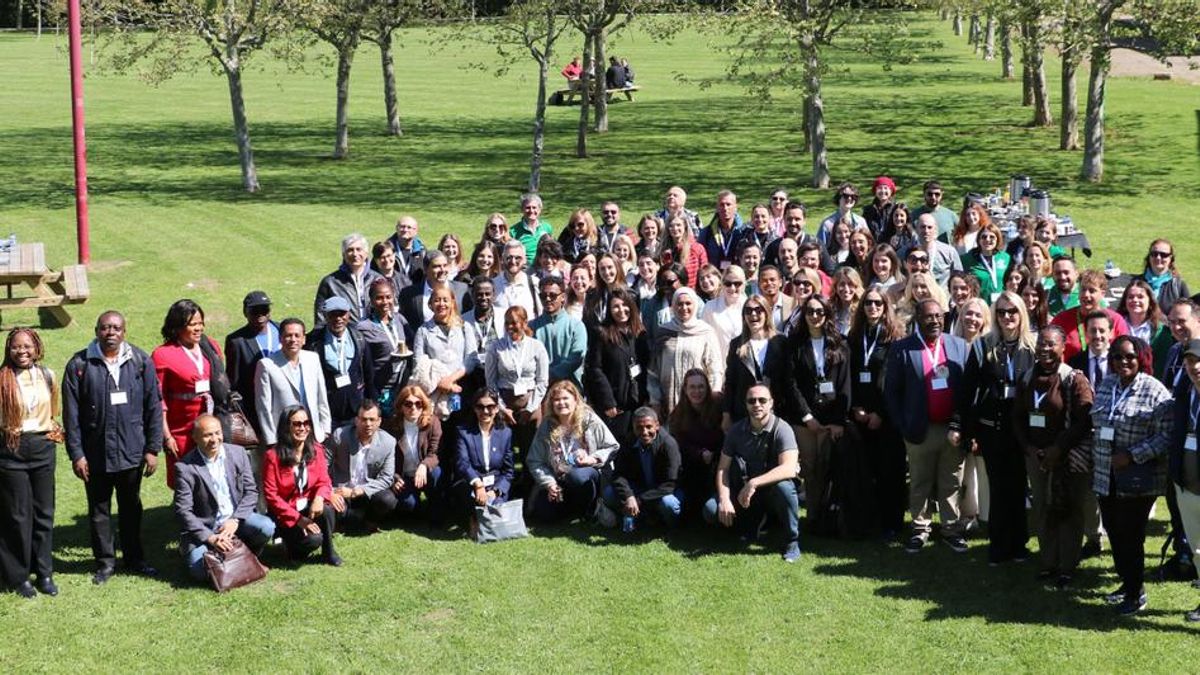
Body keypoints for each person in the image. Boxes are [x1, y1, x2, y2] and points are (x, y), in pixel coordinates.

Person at [63, 311, 163, 586]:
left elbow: (153, 406)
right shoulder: (79, 364)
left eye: (116, 328)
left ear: (124, 332)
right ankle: (105, 564)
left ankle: (134, 559)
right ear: (96, 331)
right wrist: (77, 454)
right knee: (99, 511)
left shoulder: (140, 361)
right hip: (94, 455)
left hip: (131, 452)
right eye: (105, 328)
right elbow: (71, 416)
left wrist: (153, 448)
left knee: (131, 508)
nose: (111, 333)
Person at [1088, 335, 1173, 616]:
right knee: (1114, 531)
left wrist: (1133, 454)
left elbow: (1166, 435)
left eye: (1129, 357)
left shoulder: (1155, 391)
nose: (1123, 362)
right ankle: (1127, 584)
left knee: (1131, 535)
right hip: (1105, 473)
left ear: (1141, 358)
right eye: (1117, 356)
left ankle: (1137, 593)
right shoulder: (1108, 384)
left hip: (1137, 479)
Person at [884, 298, 971, 553]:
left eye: (937, 316)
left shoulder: (958, 345)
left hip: (951, 429)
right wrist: (903, 425)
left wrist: (961, 424)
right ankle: (920, 528)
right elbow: (892, 392)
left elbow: (966, 390)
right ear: (918, 319)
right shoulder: (902, 348)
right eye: (928, 316)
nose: (934, 320)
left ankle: (951, 529)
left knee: (951, 481)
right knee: (920, 481)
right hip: (918, 429)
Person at [958, 294, 1037, 566]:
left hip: (1024, 431)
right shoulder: (982, 347)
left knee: (1018, 488)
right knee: (999, 488)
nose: (1007, 317)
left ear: (1022, 312)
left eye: (1013, 311)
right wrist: (968, 432)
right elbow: (968, 390)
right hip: (992, 429)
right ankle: (999, 545)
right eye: (1001, 312)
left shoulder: (1034, 346)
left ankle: (1019, 544)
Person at [1012, 326, 1094, 585]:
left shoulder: (1074, 378)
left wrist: (1058, 448)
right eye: (1041, 344)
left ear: (1063, 347)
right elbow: (1017, 416)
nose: (1045, 350)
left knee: (1068, 510)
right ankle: (1048, 562)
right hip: (1035, 456)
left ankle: (1067, 565)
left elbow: (1084, 420)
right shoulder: (1027, 377)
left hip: (1067, 457)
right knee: (1043, 509)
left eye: (1051, 344)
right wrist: (1028, 447)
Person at [702, 384, 802, 562]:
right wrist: (724, 499)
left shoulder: (782, 429)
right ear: (746, 404)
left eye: (762, 400)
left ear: (771, 403)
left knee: (785, 488)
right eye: (752, 401)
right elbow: (723, 468)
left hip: (770, 491)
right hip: (743, 491)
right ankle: (748, 526)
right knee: (711, 510)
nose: (757, 404)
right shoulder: (736, 430)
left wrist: (754, 483)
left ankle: (791, 541)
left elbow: (789, 467)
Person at [781, 294, 853, 535]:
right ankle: (812, 517)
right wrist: (807, 417)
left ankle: (827, 515)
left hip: (832, 418)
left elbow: (845, 384)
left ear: (827, 314)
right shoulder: (794, 343)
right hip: (805, 420)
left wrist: (838, 421)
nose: (814, 316)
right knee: (810, 469)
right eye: (810, 311)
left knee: (827, 467)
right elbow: (790, 384)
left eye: (819, 311)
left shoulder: (840, 343)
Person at [174, 414, 275, 581]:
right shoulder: (185, 468)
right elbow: (183, 512)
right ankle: (232, 555)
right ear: (195, 438)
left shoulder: (238, 453)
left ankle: (245, 554)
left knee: (266, 527)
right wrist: (211, 538)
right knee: (199, 570)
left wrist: (235, 520)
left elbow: (251, 491)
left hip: (234, 520)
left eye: (217, 433)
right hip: (207, 527)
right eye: (207, 435)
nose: (214, 439)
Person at [0, 329, 58, 598]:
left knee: (44, 513)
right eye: (15, 347)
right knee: (18, 516)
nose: (21, 351)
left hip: (42, 448)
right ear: (8, 349)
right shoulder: (2, 379)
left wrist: (54, 431)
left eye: (27, 346)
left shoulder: (47, 375)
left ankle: (44, 572)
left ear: (37, 348)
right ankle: (18, 576)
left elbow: (53, 411)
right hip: (11, 449)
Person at [848, 287, 908, 536]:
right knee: (865, 471)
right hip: (859, 414)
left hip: (887, 417)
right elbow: (847, 376)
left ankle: (892, 523)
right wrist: (855, 409)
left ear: (886, 308)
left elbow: (897, 382)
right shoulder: (853, 337)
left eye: (878, 304)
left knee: (889, 472)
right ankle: (868, 521)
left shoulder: (895, 339)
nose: (872, 308)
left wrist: (880, 414)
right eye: (868, 303)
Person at [153, 299, 229, 488]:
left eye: (201, 323)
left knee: (215, 471)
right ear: (178, 326)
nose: (198, 328)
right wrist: (167, 436)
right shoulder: (162, 355)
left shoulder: (210, 346)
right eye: (192, 324)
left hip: (211, 423)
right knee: (185, 475)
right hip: (181, 428)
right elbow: (158, 400)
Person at [527, 381, 620, 521]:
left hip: (586, 474)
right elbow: (534, 460)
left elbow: (612, 446)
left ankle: (591, 507)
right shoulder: (546, 425)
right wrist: (549, 483)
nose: (561, 403)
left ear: (575, 400)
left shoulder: (589, 419)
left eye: (565, 398)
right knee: (544, 514)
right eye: (556, 400)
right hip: (558, 477)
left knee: (576, 476)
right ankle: (572, 510)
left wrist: (593, 459)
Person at [262, 406, 342, 566]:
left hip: (309, 507)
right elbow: (271, 495)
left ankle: (329, 551)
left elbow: (324, 481)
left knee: (327, 508)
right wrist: (298, 519)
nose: (303, 428)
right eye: (297, 424)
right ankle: (290, 548)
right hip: (287, 515)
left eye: (306, 423)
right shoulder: (272, 456)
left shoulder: (317, 450)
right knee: (313, 541)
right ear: (286, 427)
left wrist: (319, 498)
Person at [584, 290, 649, 446]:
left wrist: (647, 396)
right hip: (615, 405)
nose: (621, 310)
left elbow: (646, 366)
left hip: (637, 400)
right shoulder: (602, 333)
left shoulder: (639, 333)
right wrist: (608, 402)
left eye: (625, 305)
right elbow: (595, 369)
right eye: (616, 307)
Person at [254, 318, 332, 448]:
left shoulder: (312, 359)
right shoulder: (267, 365)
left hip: (312, 433)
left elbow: (321, 396)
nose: (293, 339)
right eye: (288, 336)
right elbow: (263, 407)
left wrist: (325, 428)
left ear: (304, 339)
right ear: (280, 339)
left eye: (297, 335)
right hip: (284, 436)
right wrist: (271, 440)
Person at [648, 287, 724, 419]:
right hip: (668, 400)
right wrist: (655, 401)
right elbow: (653, 370)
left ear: (695, 305)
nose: (684, 307)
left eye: (688, 303)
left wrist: (714, 395)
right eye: (679, 303)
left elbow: (715, 368)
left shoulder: (705, 332)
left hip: (698, 400)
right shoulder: (664, 332)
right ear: (673, 306)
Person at [325, 400, 398, 530]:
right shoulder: (340, 436)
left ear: (379, 421)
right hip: (342, 490)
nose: (368, 424)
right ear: (356, 420)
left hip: (366, 493)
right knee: (329, 508)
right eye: (364, 419)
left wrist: (359, 491)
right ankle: (346, 518)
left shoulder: (389, 442)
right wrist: (330, 491)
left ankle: (369, 520)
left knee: (387, 499)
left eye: (372, 419)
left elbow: (387, 478)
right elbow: (323, 467)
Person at [306, 297, 376, 432]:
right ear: (325, 316)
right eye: (333, 314)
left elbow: (369, 375)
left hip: (355, 409)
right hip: (327, 411)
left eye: (342, 314)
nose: (338, 319)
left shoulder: (359, 338)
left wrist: (372, 405)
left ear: (349, 314)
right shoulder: (313, 342)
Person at [486, 306, 549, 455]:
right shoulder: (496, 347)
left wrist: (530, 408)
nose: (510, 327)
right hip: (505, 404)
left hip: (530, 404)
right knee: (505, 451)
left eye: (514, 323)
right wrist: (502, 407)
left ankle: (531, 477)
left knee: (531, 449)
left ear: (524, 322)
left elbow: (542, 381)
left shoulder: (536, 346)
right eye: (507, 323)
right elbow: (491, 382)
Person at [605, 408, 683, 529]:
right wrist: (629, 496)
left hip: (664, 491)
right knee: (609, 493)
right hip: (640, 488)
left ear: (657, 425)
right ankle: (639, 518)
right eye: (639, 428)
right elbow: (618, 474)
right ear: (633, 427)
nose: (644, 432)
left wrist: (640, 499)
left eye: (648, 427)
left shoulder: (669, 445)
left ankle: (669, 527)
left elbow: (669, 485)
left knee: (669, 504)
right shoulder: (629, 441)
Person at [1168, 339, 1200, 621]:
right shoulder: (1184, 391)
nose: (1196, 367)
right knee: (1198, 548)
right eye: (1190, 362)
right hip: (1186, 485)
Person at [411, 285, 479, 418]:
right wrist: (440, 383)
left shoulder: (465, 327)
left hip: (461, 389)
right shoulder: (423, 331)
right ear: (430, 304)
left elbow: (471, 360)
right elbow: (418, 364)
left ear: (452, 302)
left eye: (445, 300)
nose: (441, 304)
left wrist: (449, 381)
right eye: (437, 300)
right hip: (435, 393)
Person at [723, 294, 786, 427]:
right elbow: (730, 382)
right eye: (748, 311)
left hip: (777, 412)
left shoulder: (781, 342)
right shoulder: (736, 344)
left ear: (766, 313)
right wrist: (726, 414)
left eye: (758, 310)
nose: (753, 314)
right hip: (744, 414)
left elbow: (789, 381)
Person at [452, 389, 515, 520]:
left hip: (495, 485)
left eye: (490, 407)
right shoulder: (463, 432)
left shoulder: (506, 433)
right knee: (475, 503)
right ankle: (472, 518)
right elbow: (463, 463)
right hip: (471, 483)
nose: (485, 411)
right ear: (474, 409)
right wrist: (478, 484)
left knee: (495, 511)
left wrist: (495, 491)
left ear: (497, 408)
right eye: (480, 407)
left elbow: (508, 471)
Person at [224, 290, 279, 439]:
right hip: (255, 411)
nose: (260, 314)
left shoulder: (283, 331)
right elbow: (233, 381)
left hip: (284, 406)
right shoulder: (236, 341)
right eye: (255, 311)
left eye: (264, 309)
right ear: (245, 312)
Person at [387, 386, 444, 521]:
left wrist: (424, 466)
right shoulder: (392, 426)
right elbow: (386, 457)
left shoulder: (433, 422)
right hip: (404, 476)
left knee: (436, 473)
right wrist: (393, 478)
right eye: (408, 404)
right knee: (409, 505)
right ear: (401, 406)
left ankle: (436, 507)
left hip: (425, 473)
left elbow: (435, 452)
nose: (413, 408)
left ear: (423, 405)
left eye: (418, 404)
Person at [356, 278, 411, 413]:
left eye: (388, 297)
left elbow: (412, 341)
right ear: (372, 300)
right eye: (379, 298)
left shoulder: (399, 319)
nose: (385, 302)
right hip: (381, 389)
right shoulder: (364, 327)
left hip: (403, 384)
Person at [1050, 269, 1129, 361]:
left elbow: (1123, 352)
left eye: (1092, 291)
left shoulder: (1116, 320)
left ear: (1102, 293)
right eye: (1083, 289)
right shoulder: (1062, 320)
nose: (1086, 295)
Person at [396, 252, 472, 339]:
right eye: (437, 266)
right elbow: (403, 323)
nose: (442, 270)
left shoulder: (462, 290)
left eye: (445, 265)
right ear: (425, 269)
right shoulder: (409, 294)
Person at [531, 276, 588, 390]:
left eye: (552, 295)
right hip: (539, 389)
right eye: (543, 296)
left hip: (570, 389)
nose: (547, 299)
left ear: (563, 297)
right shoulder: (531, 327)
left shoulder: (576, 326)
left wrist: (552, 375)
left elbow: (576, 357)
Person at [313, 233, 381, 328]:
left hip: (375, 333)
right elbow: (320, 315)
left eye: (359, 249)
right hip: (346, 335)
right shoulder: (330, 282)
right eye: (350, 250)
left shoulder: (378, 280)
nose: (355, 254)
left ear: (366, 253)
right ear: (343, 255)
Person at [1117, 279, 1174, 375]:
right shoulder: (1115, 325)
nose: (1135, 300)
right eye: (1130, 297)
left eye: (1140, 297)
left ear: (1150, 301)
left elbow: (1161, 367)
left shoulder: (1162, 333)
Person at [702, 265, 748, 360]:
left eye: (737, 283)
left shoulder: (749, 306)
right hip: (719, 363)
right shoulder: (710, 307)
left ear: (743, 284)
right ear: (722, 284)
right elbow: (704, 338)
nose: (732, 287)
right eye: (728, 283)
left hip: (744, 362)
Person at [961, 222, 1011, 304]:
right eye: (984, 237)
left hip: (1001, 304)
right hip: (979, 305)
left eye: (992, 237)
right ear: (979, 240)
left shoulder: (1006, 258)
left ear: (997, 239)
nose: (987, 239)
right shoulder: (967, 259)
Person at [492, 239, 541, 320]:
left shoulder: (535, 283)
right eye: (509, 257)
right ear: (502, 259)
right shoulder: (493, 284)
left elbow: (540, 313)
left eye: (518, 258)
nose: (513, 261)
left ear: (525, 260)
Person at [698, 190, 745, 269]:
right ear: (717, 207)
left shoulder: (744, 232)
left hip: (737, 278)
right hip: (714, 277)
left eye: (728, 204)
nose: (725, 208)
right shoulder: (706, 233)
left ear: (735, 207)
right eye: (722, 205)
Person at [1139, 239, 1190, 310]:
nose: (1158, 257)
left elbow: (1188, 314)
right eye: (1154, 254)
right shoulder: (1136, 283)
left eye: (1164, 255)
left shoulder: (1178, 286)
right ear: (1149, 256)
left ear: (1170, 258)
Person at [914, 213, 962, 287]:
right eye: (922, 227)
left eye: (930, 227)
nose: (926, 231)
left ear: (935, 229)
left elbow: (959, 277)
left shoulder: (949, 252)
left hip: (942, 297)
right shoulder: (906, 252)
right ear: (916, 229)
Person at [583, 253, 628, 326]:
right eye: (602, 269)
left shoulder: (629, 295)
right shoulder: (592, 295)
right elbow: (587, 322)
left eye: (610, 267)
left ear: (617, 268)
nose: (606, 272)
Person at [664, 214, 708, 287]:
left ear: (685, 226)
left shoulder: (697, 248)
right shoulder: (664, 250)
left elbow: (704, 272)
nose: (675, 228)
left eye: (678, 225)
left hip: (692, 292)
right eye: (671, 226)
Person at [385, 216, 427, 290]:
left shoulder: (422, 251)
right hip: (392, 293)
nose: (405, 230)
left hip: (415, 295)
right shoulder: (386, 250)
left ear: (416, 231)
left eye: (409, 227)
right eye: (402, 226)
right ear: (396, 228)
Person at [511, 193, 553, 263]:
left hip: (544, 267)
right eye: (528, 208)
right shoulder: (513, 231)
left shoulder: (547, 227)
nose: (531, 211)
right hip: (525, 269)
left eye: (534, 207)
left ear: (540, 210)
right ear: (522, 209)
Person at [863, 176, 899, 241]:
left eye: (886, 188)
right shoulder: (868, 210)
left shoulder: (897, 208)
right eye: (880, 188)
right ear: (875, 191)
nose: (883, 191)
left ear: (891, 191)